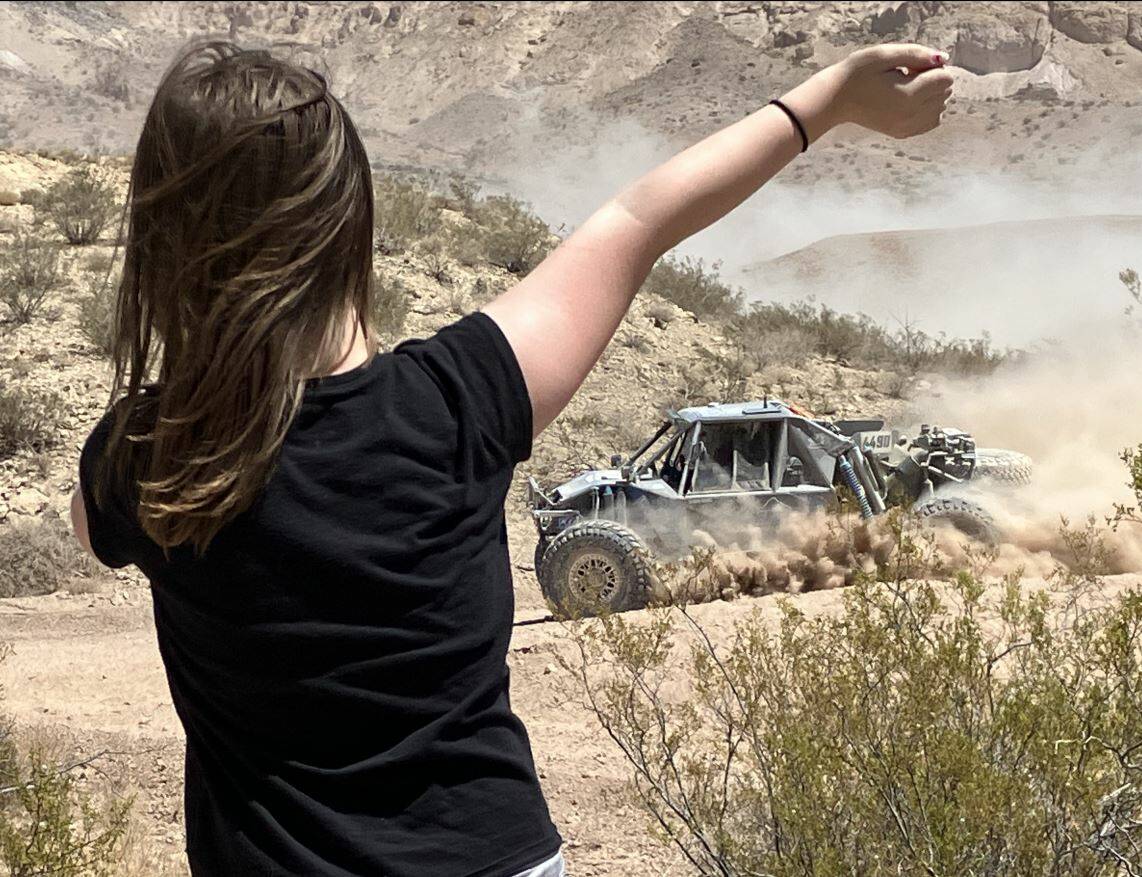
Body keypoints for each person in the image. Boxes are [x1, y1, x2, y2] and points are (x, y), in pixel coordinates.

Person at [70, 38, 952, 877]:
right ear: (350, 221)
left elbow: (92, 523)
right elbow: (641, 219)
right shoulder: (458, 398)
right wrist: (827, 101)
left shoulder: (145, 459)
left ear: (167, 244)